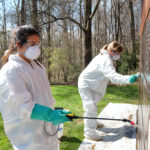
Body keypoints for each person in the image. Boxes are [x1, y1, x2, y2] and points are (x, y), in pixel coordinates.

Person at [0, 25, 71, 150]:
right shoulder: (11, 70)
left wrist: (54, 111)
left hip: (46, 130)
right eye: (32, 43)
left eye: (38, 43)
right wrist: (50, 114)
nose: (37, 47)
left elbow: (44, 95)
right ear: (18, 44)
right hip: (28, 135)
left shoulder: (38, 67)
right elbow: (22, 106)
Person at [78, 41, 139, 141]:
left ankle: (93, 123)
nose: (118, 55)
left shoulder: (104, 55)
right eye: (118, 53)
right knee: (90, 107)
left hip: (90, 83)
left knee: (92, 106)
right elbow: (113, 77)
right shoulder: (105, 59)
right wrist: (128, 79)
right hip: (87, 84)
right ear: (111, 51)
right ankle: (89, 132)